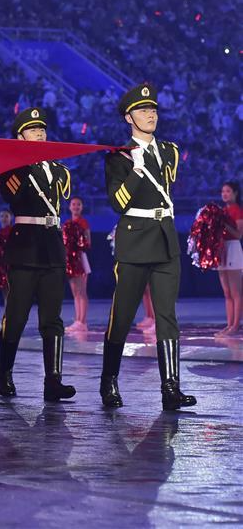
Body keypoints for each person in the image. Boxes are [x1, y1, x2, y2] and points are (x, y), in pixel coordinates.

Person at [100, 83, 196, 411]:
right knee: (123, 316)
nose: (150, 113)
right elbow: (118, 202)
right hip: (135, 239)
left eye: (153, 108)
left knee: (167, 316)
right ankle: (109, 381)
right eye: (143, 110)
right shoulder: (118, 157)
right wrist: (137, 168)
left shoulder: (169, 151)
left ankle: (171, 387)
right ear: (129, 117)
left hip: (165, 238)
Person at [0, 108, 75, 402]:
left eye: (41, 129)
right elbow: (11, 196)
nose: (40, 133)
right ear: (20, 136)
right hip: (25, 248)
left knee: (52, 319)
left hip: (52, 247)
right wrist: (23, 160)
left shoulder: (59, 171)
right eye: (32, 130)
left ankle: (53, 380)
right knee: (16, 316)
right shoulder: (13, 169)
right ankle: (4, 373)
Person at [216, 181, 243, 336]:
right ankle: (229, 324)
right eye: (223, 191)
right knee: (226, 292)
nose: (224, 194)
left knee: (236, 292)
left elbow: (239, 234)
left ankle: (235, 325)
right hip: (222, 250)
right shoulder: (222, 211)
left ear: (235, 193)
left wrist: (224, 225)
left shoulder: (237, 210)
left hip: (233, 248)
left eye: (228, 191)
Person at [64, 196, 92, 334]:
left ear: (82, 207)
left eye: (78, 204)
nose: (75, 207)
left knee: (82, 291)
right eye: (73, 204)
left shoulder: (83, 223)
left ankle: (83, 321)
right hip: (70, 259)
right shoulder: (67, 223)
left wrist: (77, 246)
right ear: (69, 207)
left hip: (80, 258)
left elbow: (88, 242)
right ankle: (77, 320)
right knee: (75, 292)